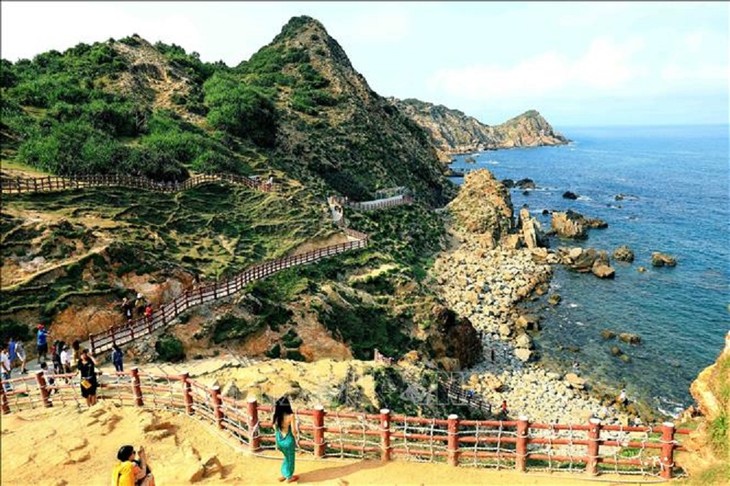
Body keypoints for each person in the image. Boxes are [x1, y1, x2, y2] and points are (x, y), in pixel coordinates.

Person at [273, 396, 298, 483]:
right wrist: (296, 437)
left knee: (286, 457)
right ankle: (289, 477)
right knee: (290, 459)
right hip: (288, 441)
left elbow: (274, 427)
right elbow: (294, 431)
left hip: (279, 440)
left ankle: (284, 474)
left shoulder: (276, 416)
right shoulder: (291, 416)